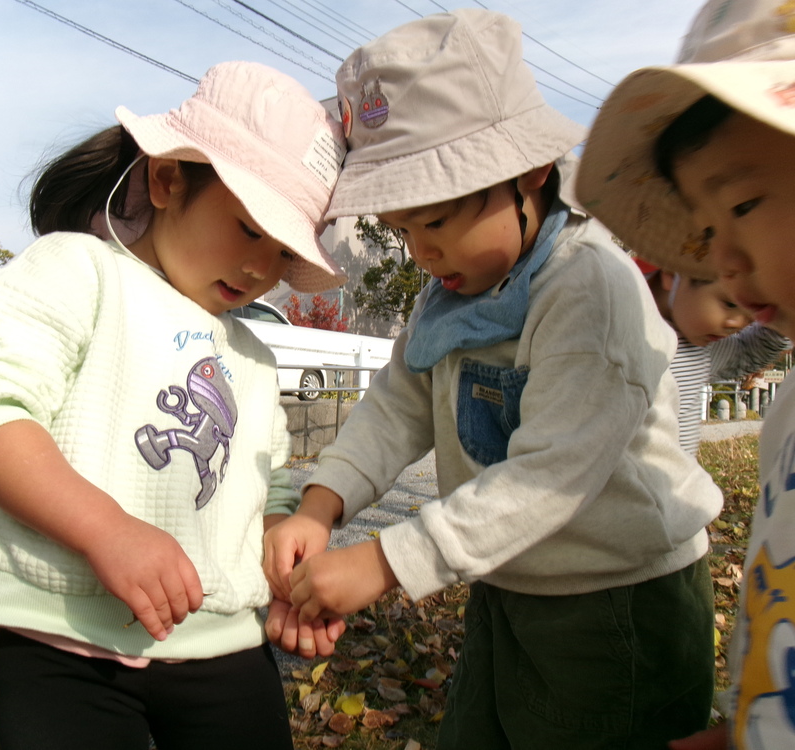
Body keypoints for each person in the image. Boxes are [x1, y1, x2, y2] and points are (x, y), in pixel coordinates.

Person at [261, 9, 724, 750]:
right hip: (507, 584)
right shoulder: (450, 296)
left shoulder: (585, 289)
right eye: (403, 229)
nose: (421, 251)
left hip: (618, 606)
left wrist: (386, 560)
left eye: (436, 220)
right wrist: (322, 506)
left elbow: (551, 474)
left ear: (528, 174)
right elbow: (396, 404)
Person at [0, 60, 348, 750]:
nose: (258, 267)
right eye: (247, 229)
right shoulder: (79, 271)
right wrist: (106, 530)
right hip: (59, 636)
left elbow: (262, 482)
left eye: (281, 251)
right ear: (166, 179)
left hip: (220, 645)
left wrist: (280, 548)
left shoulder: (254, 355)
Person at [576, 2, 795, 748]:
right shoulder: (634, 339)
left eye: (743, 204)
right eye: (707, 231)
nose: (724, 263)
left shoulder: (712, 357)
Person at [633, 259, 787, 454]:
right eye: (729, 304)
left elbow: (749, 351)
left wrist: (784, 316)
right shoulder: (617, 330)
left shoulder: (698, 344)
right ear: (672, 273)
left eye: (751, 316)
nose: (737, 323)